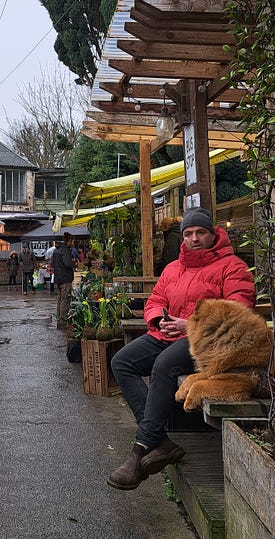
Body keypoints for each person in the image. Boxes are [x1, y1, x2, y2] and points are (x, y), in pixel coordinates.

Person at [107, 208, 255, 491]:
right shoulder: (174, 268)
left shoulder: (232, 266)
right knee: (122, 361)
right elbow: (155, 299)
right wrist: (157, 319)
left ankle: (139, 451)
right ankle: (160, 441)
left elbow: (239, 310)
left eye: (200, 232)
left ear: (213, 234)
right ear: (182, 237)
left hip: (207, 342)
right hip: (167, 335)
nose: (194, 238)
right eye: (188, 233)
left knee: (164, 365)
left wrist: (192, 325)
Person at [53, 233, 75, 329]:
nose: (73, 243)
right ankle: (63, 323)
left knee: (60, 300)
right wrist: (73, 263)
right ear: (69, 240)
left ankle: (59, 321)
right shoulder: (65, 249)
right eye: (72, 241)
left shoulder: (56, 249)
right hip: (65, 278)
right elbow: (67, 263)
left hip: (58, 278)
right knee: (65, 301)